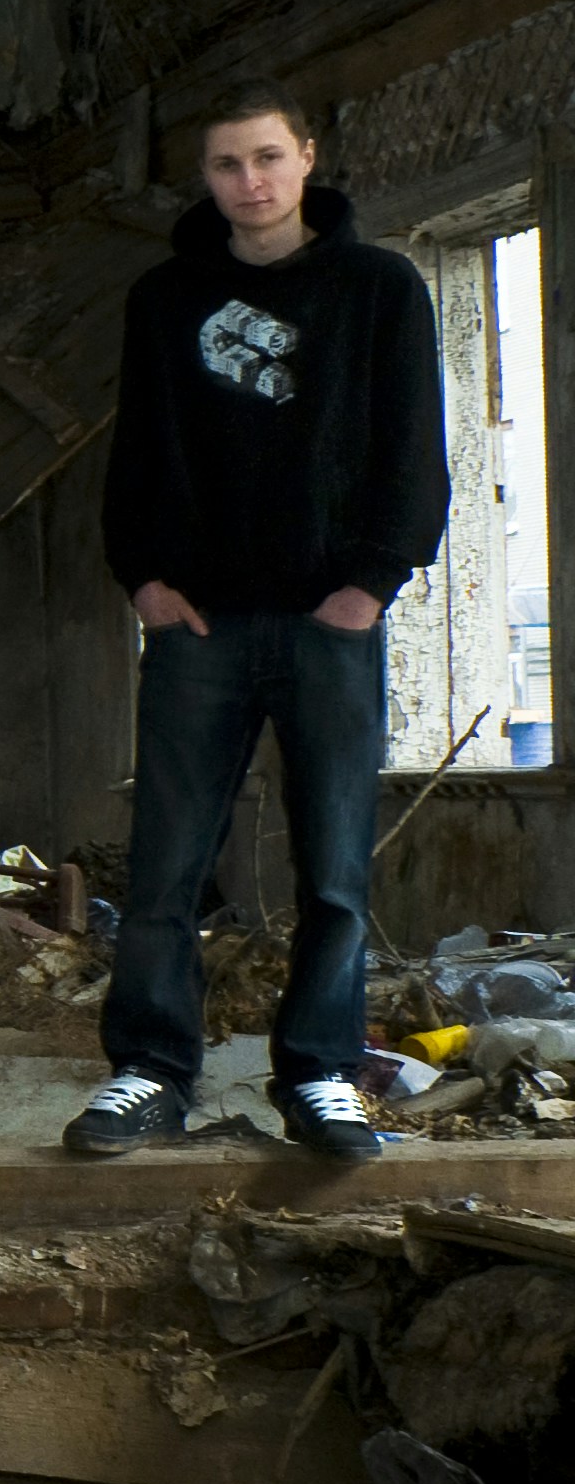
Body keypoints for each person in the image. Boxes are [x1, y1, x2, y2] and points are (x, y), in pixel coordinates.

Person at [73, 87, 448, 1162]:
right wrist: (141, 577)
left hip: (330, 620)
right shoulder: (164, 297)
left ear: (305, 161)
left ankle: (319, 1077)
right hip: (200, 625)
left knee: (332, 865)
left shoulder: (378, 287)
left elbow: (414, 452)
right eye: (228, 163)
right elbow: (135, 451)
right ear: (207, 179)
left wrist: (371, 583)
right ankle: (149, 1071)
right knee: (166, 864)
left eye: (267, 157)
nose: (251, 180)